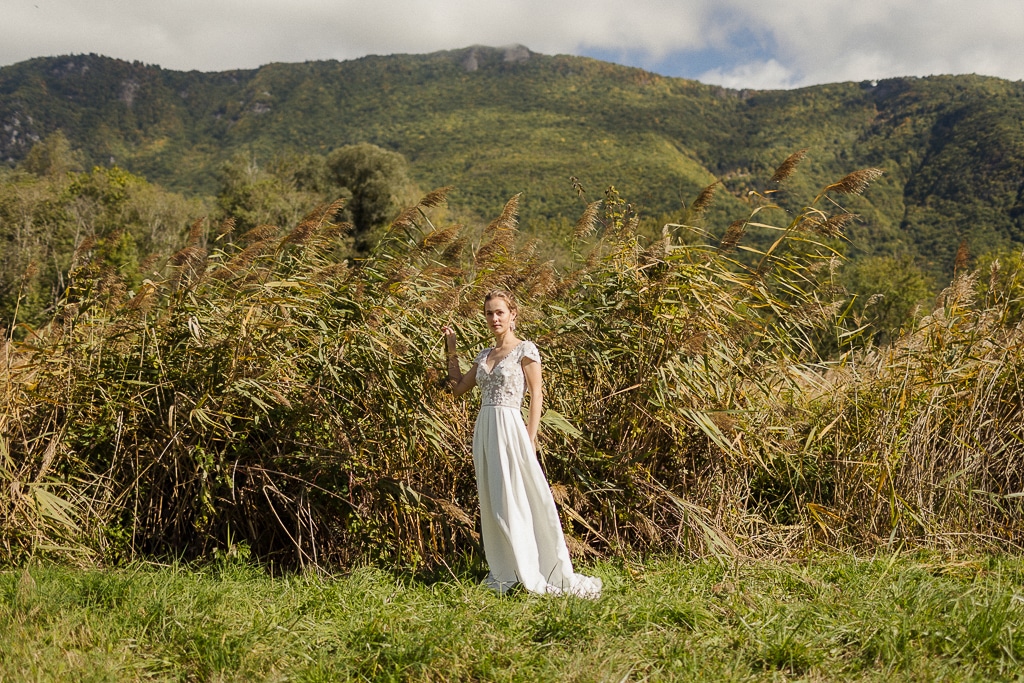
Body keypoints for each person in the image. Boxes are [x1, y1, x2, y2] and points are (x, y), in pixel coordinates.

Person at [442, 289, 602, 598]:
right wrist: (451, 348)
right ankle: (506, 569)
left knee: (518, 497)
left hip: (512, 427)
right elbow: (457, 388)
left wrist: (530, 437)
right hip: (485, 430)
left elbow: (537, 393)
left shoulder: (525, 349)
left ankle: (533, 568)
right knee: (493, 499)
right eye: (489, 313)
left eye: (500, 312)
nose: (494, 318)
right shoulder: (484, 355)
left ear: (513, 314)